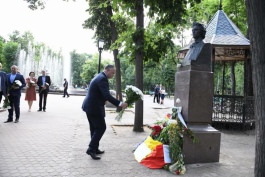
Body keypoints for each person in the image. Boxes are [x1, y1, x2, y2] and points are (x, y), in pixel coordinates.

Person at [82, 64, 128, 160]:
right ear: (107, 70)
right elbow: (107, 95)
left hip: (89, 106)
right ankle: (91, 149)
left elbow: (100, 93)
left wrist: (103, 99)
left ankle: (94, 148)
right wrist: (120, 103)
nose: (113, 75)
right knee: (101, 128)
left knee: (94, 129)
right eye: (112, 72)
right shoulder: (102, 79)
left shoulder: (99, 76)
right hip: (94, 108)